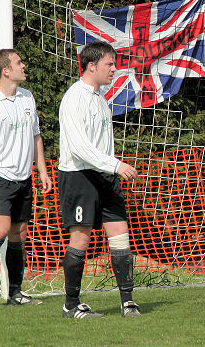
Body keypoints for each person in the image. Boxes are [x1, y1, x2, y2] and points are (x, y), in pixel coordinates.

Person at [58, 40, 140, 318]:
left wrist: (111, 167)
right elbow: (80, 148)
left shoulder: (100, 99)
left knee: (120, 236)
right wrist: (116, 165)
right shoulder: (74, 98)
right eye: (109, 64)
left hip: (106, 175)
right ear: (91, 65)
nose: (114, 69)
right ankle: (70, 305)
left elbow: (102, 145)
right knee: (80, 239)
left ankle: (127, 301)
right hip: (79, 176)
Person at [0, 49, 52, 308]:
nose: (24, 65)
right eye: (19, 62)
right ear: (5, 71)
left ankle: (16, 293)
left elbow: (36, 136)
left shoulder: (27, 97)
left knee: (19, 233)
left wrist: (42, 170)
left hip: (24, 177)